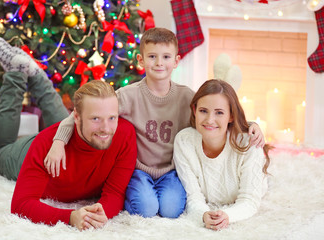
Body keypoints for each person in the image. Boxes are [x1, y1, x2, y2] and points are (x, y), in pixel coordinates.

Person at [44, 28, 265, 219]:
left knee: (171, 209)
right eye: (152, 57)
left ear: (176, 61)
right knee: (146, 209)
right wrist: (58, 141)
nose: (159, 63)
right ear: (140, 60)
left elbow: (217, 110)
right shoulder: (128, 95)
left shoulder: (187, 97)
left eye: (166, 57)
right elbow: (84, 113)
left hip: (171, 171)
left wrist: (250, 125)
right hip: (139, 170)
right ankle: (130, 197)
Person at [0, 36, 137, 230]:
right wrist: (71, 217)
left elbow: (116, 192)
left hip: (73, 136)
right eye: (96, 119)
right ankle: (16, 73)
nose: (106, 128)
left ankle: (35, 74)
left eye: (112, 117)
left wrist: (100, 213)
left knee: (88, 122)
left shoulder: (124, 134)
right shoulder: (44, 144)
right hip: (27, 152)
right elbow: (21, 204)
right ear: (75, 117)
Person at [173, 79, 270, 231]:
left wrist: (227, 215)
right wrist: (203, 214)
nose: (210, 120)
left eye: (219, 112)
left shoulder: (249, 144)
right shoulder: (184, 141)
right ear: (194, 110)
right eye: (203, 111)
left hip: (253, 183)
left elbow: (249, 200)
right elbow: (193, 196)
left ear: (231, 116)